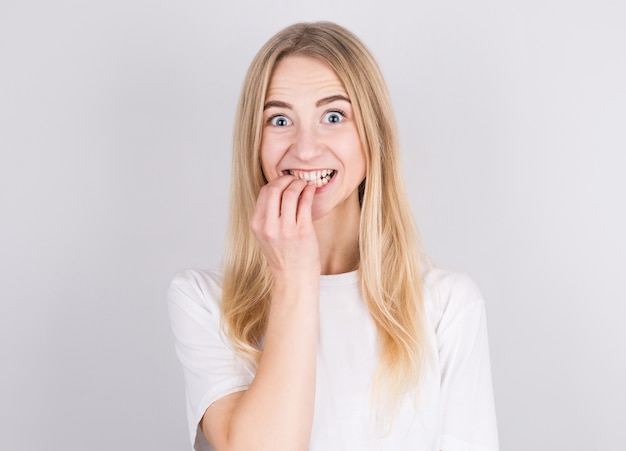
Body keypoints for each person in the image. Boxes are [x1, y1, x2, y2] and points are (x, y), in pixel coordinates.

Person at [168, 21, 498, 451]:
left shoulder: (447, 305)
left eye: (334, 116)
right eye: (280, 119)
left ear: (373, 136)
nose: (305, 149)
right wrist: (294, 276)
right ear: (254, 141)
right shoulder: (203, 301)